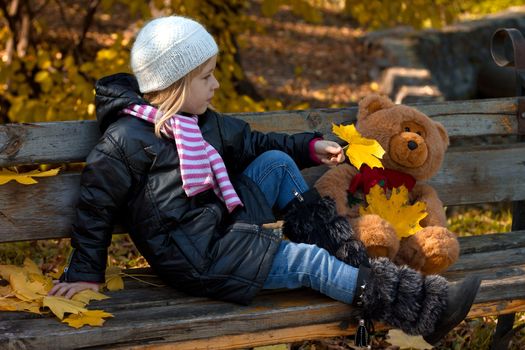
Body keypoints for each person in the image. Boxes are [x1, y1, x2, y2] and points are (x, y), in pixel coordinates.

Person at [48, 15, 481, 345]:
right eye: (206, 77)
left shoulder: (202, 121)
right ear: (174, 84)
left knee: (274, 162)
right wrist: (86, 271)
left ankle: (345, 254)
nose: (216, 85)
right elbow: (95, 208)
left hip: (223, 225)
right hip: (201, 258)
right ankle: (428, 311)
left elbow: (253, 142)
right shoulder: (124, 141)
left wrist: (308, 148)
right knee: (305, 263)